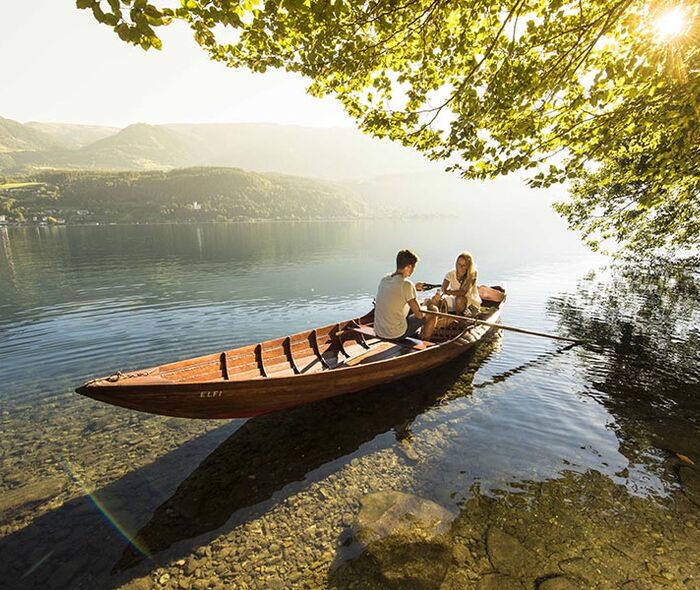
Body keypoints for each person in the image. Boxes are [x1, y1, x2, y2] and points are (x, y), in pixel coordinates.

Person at [374, 249, 437, 341]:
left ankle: (415, 333)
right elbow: (419, 315)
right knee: (433, 311)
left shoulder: (384, 280)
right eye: (413, 268)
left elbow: (397, 291)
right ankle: (424, 342)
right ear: (408, 267)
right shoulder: (406, 285)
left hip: (378, 331)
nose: (413, 271)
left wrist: (414, 289)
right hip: (395, 334)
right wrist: (426, 305)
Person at [430, 251, 482, 316]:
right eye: (459, 264)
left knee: (459, 299)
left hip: (471, 304)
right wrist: (439, 294)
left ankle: (459, 319)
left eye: (464, 265)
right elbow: (443, 288)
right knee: (434, 300)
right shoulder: (450, 274)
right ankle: (434, 319)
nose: (461, 267)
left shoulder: (472, 275)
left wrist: (449, 292)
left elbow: (463, 292)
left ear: (468, 266)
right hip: (457, 302)